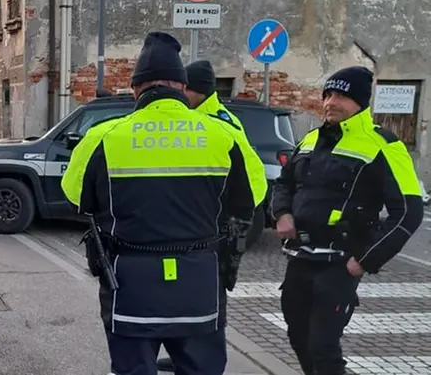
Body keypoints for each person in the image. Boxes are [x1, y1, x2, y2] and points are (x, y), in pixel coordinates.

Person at [61, 32, 259, 375]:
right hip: (200, 282)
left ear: (137, 88)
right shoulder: (223, 135)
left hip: (130, 284)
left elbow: (76, 197)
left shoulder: (103, 137)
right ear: (181, 87)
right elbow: (250, 198)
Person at [272, 66, 423, 375]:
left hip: (341, 263)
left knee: (322, 346)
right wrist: (282, 213)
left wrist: (364, 260)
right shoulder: (311, 139)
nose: (331, 102)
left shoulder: (384, 144)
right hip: (300, 258)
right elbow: (283, 184)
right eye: (328, 94)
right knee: (298, 337)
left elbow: (408, 211)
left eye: (341, 95)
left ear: (360, 101)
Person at [156, 58, 269, 373]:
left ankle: (208, 362)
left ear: (196, 91)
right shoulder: (194, 118)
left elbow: (250, 179)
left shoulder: (220, 123)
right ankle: (183, 355)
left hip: (220, 226)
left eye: (182, 89)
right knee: (184, 296)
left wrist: (228, 220)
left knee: (211, 299)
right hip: (202, 223)